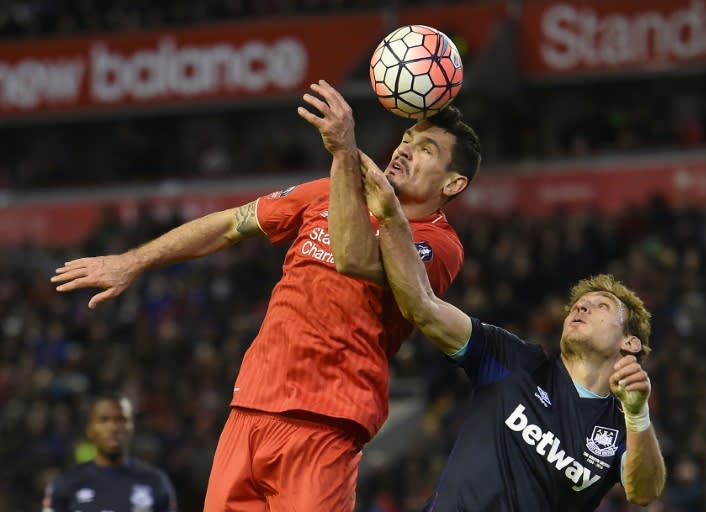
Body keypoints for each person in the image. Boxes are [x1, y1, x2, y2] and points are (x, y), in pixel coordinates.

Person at [50, 80, 481, 511]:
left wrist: (345, 155)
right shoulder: (330, 189)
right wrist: (133, 262)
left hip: (325, 422)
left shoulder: (437, 245)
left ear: (453, 183)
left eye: (425, 149)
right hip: (251, 407)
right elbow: (230, 224)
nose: (404, 149)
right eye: (406, 138)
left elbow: (353, 257)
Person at [358, 153, 666, 511]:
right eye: (580, 303)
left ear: (630, 342)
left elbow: (643, 492)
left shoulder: (619, 426)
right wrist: (393, 216)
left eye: (601, 306)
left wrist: (637, 415)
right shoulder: (511, 359)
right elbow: (423, 306)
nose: (581, 307)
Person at [42, 394, 177, 512]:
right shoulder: (65, 483)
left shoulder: (155, 482)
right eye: (103, 420)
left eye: (120, 420)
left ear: (132, 428)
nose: (112, 427)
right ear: (90, 429)